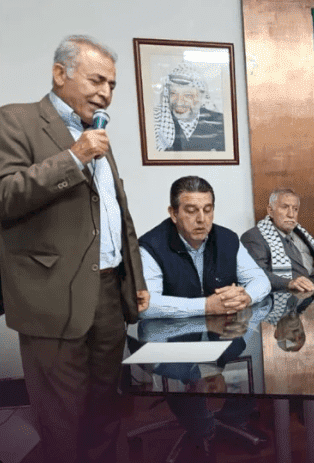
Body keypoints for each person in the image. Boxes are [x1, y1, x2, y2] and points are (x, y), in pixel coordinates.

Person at [0, 35, 149, 463]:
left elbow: (117, 212)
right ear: (59, 74)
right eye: (97, 80)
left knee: (105, 411)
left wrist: (134, 278)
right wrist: (74, 156)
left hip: (108, 295)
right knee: (62, 419)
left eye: (112, 85)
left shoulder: (93, 131)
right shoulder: (16, 120)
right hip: (51, 297)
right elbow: (5, 196)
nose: (106, 93)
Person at [137, 176, 271, 461]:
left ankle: (232, 420)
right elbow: (147, 305)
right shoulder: (150, 245)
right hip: (170, 338)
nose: (201, 219)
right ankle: (201, 431)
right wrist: (207, 306)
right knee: (182, 374)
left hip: (220, 333)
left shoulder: (227, 238)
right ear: (173, 213)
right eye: (191, 210)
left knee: (252, 355)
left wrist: (246, 296)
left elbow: (260, 280)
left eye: (207, 210)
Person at [241, 188, 314, 291]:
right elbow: (256, 274)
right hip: (282, 297)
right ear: (270, 211)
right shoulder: (253, 237)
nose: (291, 214)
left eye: (295, 209)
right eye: (285, 207)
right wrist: (289, 283)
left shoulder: (304, 235)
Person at [154, 61, 226, 152]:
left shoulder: (219, 122)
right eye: (173, 94)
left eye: (187, 95)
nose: (179, 101)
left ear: (200, 97)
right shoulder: (158, 122)